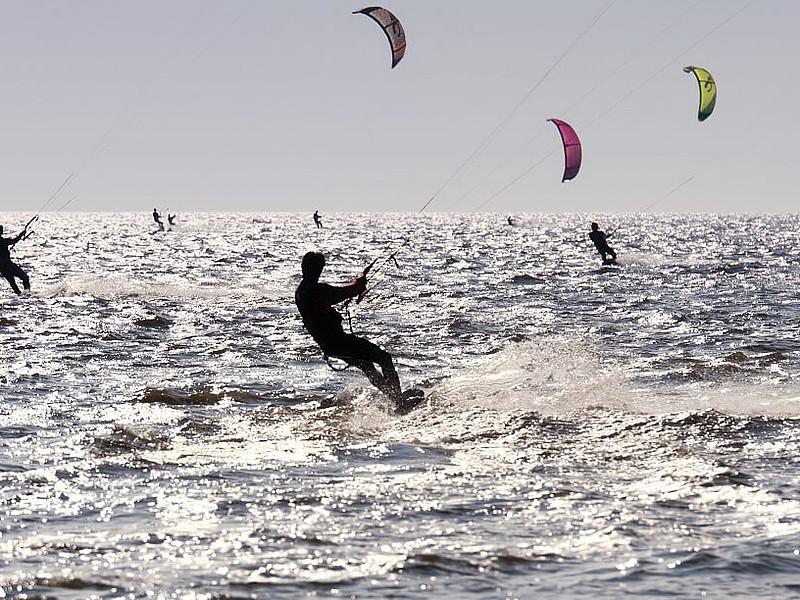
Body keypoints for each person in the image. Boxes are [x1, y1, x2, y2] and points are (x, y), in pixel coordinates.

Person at [295, 251, 422, 412]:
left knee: (367, 366)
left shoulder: (301, 291)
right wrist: (359, 281)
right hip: (338, 342)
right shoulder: (316, 290)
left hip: (329, 345)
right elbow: (348, 291)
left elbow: (327, 302)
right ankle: (399, 401)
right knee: (384, 358)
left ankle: (395, 398)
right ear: (319, 269)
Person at [0, 224, 31, 295]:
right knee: (25, 277)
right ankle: (27, 294)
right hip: (7, 265)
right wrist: (21, 234)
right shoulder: (3, 241)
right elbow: (14, 240)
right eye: (1, 230)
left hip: (2, 268)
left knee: (12, 282)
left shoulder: (3, 241)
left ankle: (20, 295)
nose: (2, 231)